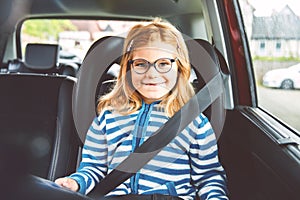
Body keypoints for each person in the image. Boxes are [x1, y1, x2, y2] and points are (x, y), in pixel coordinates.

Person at [55, 18, 228, 200]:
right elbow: (93, 167)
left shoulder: (195, 123)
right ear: (128, 69)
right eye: (141, 64)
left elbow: (209, 177)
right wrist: (76, 182)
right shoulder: (108, 118)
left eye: (163, 63)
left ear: (179, 69)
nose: (152, 73)